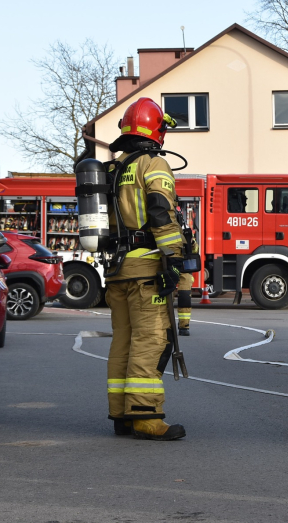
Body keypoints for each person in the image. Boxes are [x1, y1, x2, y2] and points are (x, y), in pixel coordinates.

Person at [105, 97, 186, 441]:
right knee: (150, 340)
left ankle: (121, 413)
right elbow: (159, 213)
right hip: (147, 266)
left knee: (122, 341)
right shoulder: (153, 164)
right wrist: (175, 258)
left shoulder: (111, 170)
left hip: (117, 270)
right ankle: (145, 415)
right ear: (158, 132)